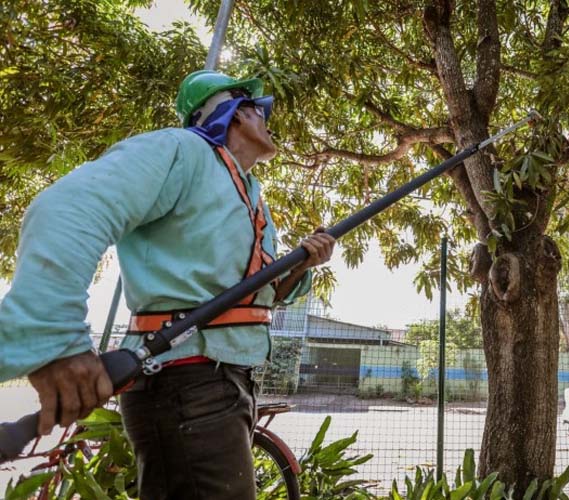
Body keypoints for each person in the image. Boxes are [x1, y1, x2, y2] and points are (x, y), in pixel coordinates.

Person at [0, 69, 336, 499]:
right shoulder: (181, 151)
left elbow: (261, 293)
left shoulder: (249, 194)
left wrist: (304, 265)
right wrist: (54, 336)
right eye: (259, 108)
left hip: (223, 383)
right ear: (233, 112)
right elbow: (66, 208)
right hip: (185, 386)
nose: (267, 118)